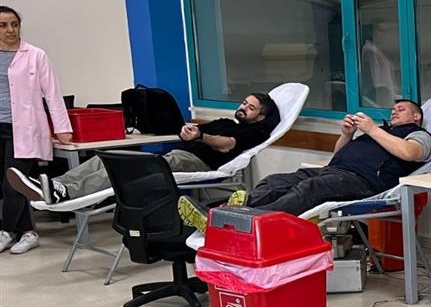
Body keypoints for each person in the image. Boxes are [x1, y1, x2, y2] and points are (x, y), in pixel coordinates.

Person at [179, 99, 431, 228]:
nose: (394, 111)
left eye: (401, 109)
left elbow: (409, 153)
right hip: (335, 171)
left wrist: (372, 130)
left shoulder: (419, 135)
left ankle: (248, 222)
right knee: (275, 181)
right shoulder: (381, 131)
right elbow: (338, 156)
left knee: (310, 189)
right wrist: (347, 135)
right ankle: (221, 213)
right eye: (393, 109)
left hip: (365, 182)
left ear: (416, 116)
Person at [8, 92, 277, 207]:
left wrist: (201, 136)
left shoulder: (253, 132)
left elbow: (226, 145)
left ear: (261, 117)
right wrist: (188, 131)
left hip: (194, 163)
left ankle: (67, 192)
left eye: (251, 107)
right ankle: (54, 186)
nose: (243, 107)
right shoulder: (226, 122)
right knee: (107, 159)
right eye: (244, 103)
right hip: (173, 157)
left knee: (123, 170)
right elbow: (194, 130)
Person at [0, 5, 72, 255]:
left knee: (14, 183)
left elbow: (52, 93)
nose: (10, 30)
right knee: (5, 185)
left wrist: (62, 128)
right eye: (3, 25)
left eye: (14, 24)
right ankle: (28, 232)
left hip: (24, 128)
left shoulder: (36, 55)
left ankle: (7, 231)